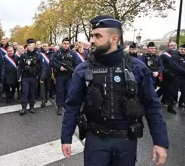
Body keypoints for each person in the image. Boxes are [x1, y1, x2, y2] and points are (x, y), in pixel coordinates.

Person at [61, 15, 168, 166]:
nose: (92, 40)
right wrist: (66, 138)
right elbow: (72, 105)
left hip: (126, 141)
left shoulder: (137, 68)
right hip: (95, 140)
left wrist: (160, 141)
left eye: (98, 36)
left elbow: (152, 106)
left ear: (114, 38)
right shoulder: (84, 69)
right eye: (92, 35)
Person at [49, 38, 84, 115]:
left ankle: (67, 105)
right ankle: (60, 107)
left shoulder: (73, 53)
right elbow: (51, 62)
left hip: (69, 76)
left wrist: (73, 71)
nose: (66, 45)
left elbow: (77, 64)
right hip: (60, 76)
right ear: (62, 44)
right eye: (64, 43)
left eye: (67, 44)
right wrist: (59, 67)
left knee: (69, 91)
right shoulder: (57, 53)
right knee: (60, 91)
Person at [17, 38, 45, 115]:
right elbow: (20, 67)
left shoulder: (38, 56)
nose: (28, 46)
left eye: (29, 45)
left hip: (33, 77)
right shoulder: (23, 55)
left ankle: (32, 106)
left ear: (33, 45)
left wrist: (42, 76)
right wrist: (18, 76)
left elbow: (42, 67)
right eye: (27, 45)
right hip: (25, 77)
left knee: (32, 92)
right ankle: (23, 107)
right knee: (24, 92)